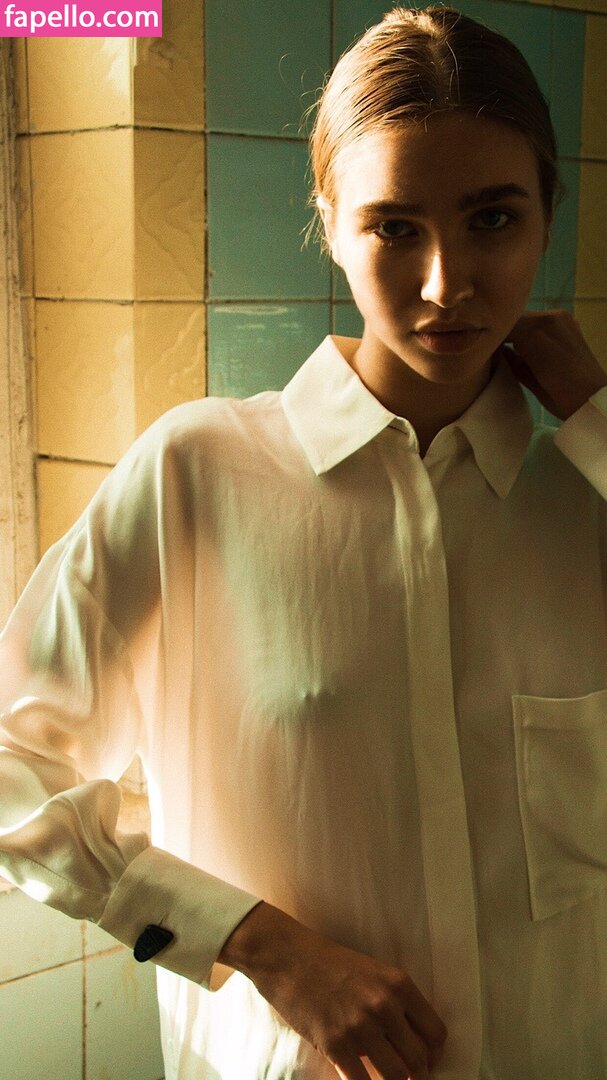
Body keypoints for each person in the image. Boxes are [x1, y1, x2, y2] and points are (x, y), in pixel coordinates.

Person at [1, 4, 606, 1078]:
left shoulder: (583, 503)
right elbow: (12, 770)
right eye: (394, 227)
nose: (446, 283)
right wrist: (261, 946)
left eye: (491, 219)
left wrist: (601, 419)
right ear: (329, 221)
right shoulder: (194, 475)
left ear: (549, 216)